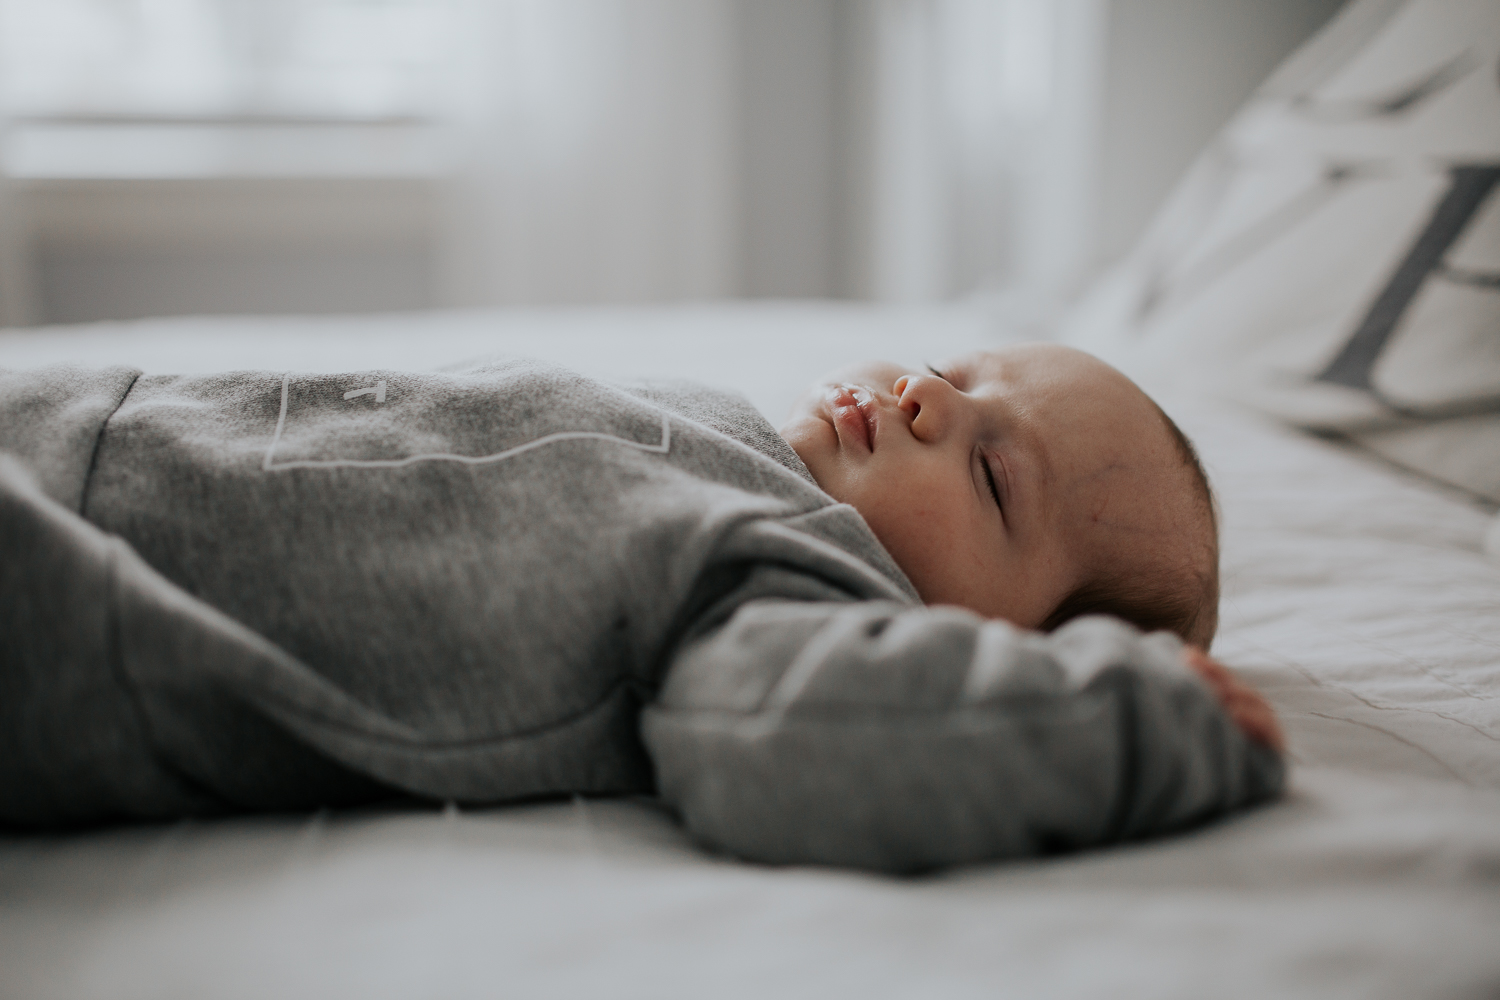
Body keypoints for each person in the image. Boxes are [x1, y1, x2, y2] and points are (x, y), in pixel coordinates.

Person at [0, 344, 1283, 872]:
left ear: (991, 646)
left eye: (993, 471)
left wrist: (1131, 720)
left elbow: (817, 736)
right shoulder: (737, 442)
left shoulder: (791, 591)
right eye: (954, 366)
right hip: (76, 423)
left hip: (74, 598)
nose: (925, 399)